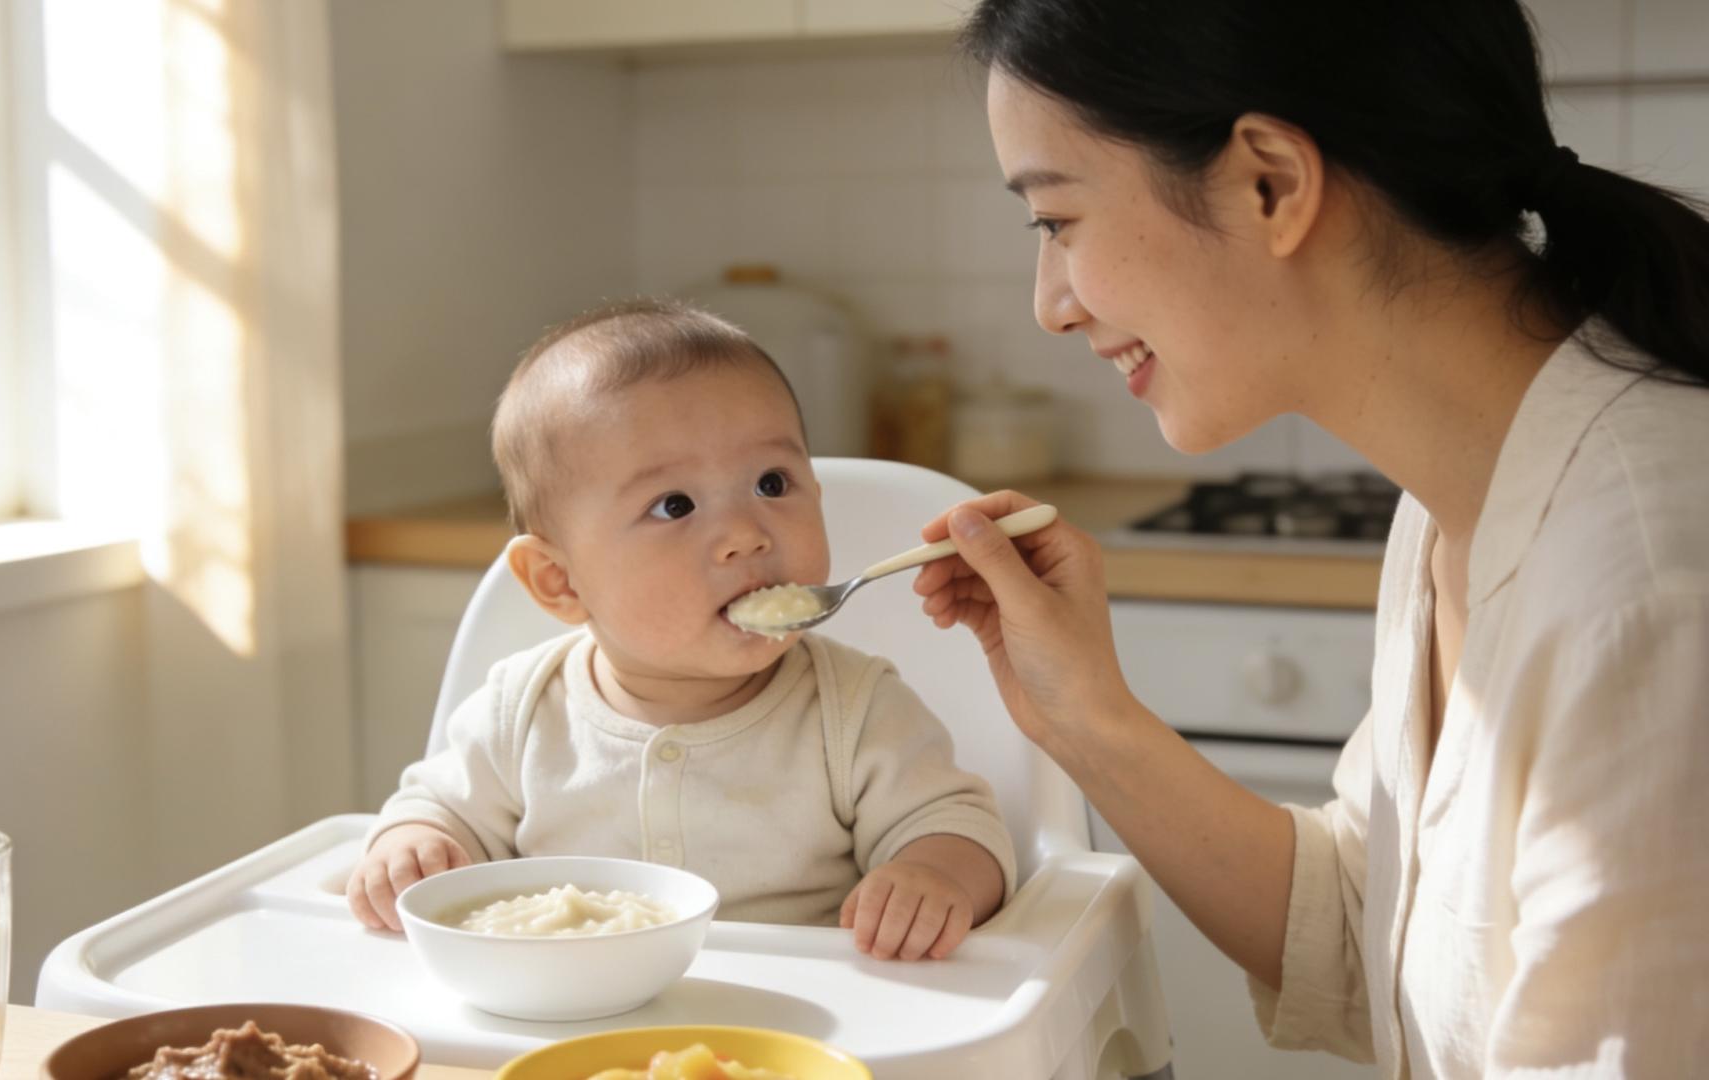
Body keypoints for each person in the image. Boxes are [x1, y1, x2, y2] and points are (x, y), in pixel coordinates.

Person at [910, 0, 1709, 1075]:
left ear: (1269, 183)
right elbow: (1366, 927)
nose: (1051, 304)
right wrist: (1086, 718)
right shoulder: (1457, 497)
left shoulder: (1649, 578)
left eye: (1057, 221)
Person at [347, 299, 1017, 962]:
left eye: (772, 482)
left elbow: (959, 826)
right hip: (577, 1017)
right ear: (560, 581)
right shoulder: (519, 712)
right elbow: (439, 810)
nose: (746, 535)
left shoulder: (854, 708)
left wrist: (934, 878)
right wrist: (410, 845)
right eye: (675, 505)